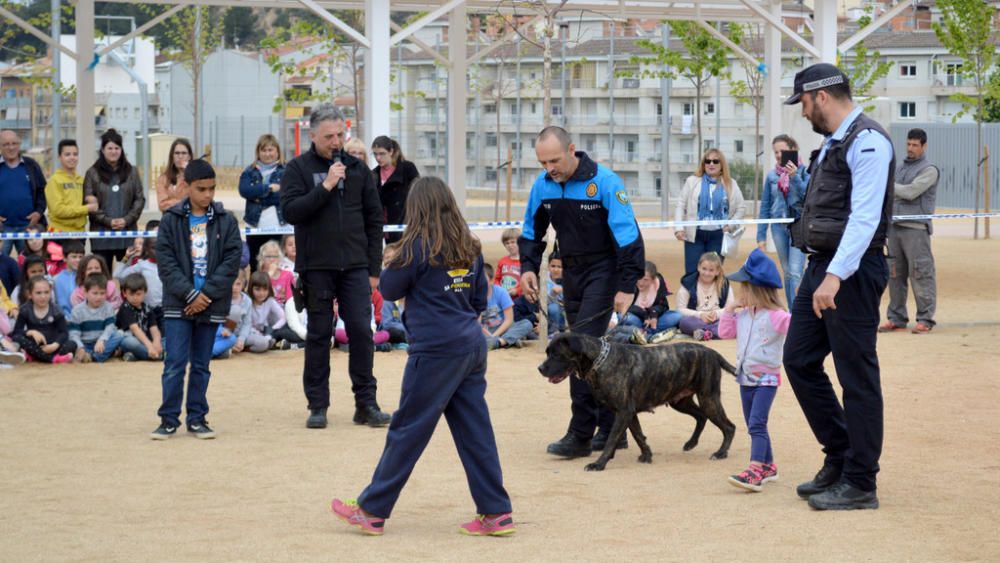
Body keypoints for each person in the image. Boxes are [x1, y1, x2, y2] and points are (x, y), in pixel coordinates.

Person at [331, 176, 513, 537]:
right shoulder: (471, 246)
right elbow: (481, 299)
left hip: (435, 351)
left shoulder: (415, 248)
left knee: (408, 429)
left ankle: (372, 510)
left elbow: (387, 288)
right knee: (475, 431)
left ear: (416, 210)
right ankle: (496, 512)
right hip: (471, 345)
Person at [782, 63, 893, 511]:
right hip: (821, 266)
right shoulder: (832, 143)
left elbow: (865, 220)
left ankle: (861, 481)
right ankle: (841, 454)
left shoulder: (867, 141)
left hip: (851, 271)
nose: (803, 113)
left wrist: (835, 276)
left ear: (821, 97)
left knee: (856, 375)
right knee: (799, 360)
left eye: (803, 103)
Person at [518, 126, 645, 458]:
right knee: (594, 353)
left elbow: (629, 236)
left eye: (555, 160)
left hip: (604, 270)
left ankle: (580, 434)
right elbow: (532, 231)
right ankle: (612, 430)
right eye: (543, 163)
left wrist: (626, 285)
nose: (550, 169)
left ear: (572, 149)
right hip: (571, 272)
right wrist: (528, 267)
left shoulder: (604, 182)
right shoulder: (543, 186)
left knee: (577, 348)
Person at [279, 103, 390, 429]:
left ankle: (366, 404)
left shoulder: (357, 170)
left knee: (361, 331)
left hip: (356, 266)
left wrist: (373, 270)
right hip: (316, 267)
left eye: (340, 134)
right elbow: (292, 212)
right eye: (329, 136)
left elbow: (374, 221)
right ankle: (318, 405)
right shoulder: (297, 169)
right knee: (318, 335)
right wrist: (325, 186)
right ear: (312, 135)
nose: (336, 141)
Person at [152, 159, 242, 440]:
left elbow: (231, 260)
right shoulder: (170, 221)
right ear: (186, 187)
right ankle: (168, 420)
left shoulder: (226, 221)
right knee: (175, 364)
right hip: (179, 304)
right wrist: (190, 294)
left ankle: (197, 418)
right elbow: (166, 263)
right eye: (201, 189)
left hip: (211, 304)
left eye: (212, 189)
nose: (208, 195)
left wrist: (206, 295)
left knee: (201, 365)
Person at [719, 249, 790, 492]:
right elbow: (724, 333)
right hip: (745, 377)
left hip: (767, 378)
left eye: (744, 287)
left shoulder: (777, 316)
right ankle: (769, 466)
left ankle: (755, 469)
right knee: (753, 422)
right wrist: (729, 310)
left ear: (756, 288)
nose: (740, 292)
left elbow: (797, 329)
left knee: (757, 424)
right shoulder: (743, 315)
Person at [880, 128, 938, 335]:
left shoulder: (930, 170)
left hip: (916, 229)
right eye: (908, 144)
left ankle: (925, 318)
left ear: (924, 146)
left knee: (921, 274)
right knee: (895, 275)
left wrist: (888, 187)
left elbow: (912, 192)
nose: (911, 148)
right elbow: (895, 194)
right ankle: (896, 317)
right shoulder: (899, 167)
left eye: (915, 145)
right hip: (894, 228)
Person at [675, 148, 746, 276]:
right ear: (704, 164)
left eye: (715, 161)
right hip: (694, 235)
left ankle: (711, 297)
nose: (711, 164)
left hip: (718, 236)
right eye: (708, 161)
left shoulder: (731, 184)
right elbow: (681, 205)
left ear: (722, 165)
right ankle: (693, 296)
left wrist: (730, 226)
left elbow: (741, 208)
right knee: (692, 273)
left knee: (712, 274)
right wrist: (679, 228)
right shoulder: (692, 181)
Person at [757, 134, 809, 307]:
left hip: (798, 226)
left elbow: (807, 197)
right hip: (778, 227)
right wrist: (761, 235)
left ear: (792, 149)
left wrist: (794, 177)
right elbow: (765, 205)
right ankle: (792, 310)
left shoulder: (805, 172)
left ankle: (797, 314)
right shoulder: (772, 176)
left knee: (795, 272)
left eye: (782, 151)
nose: (779, 155)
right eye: (776, 152)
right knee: (787, 272)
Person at [84, 129, 146, 268]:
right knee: (102, 280)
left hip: (127, 235)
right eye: (110, 148)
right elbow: (88, 202)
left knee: (128, 279)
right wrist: (108, 221)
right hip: (101, 237)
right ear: (102, 150)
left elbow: (139, 199)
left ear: (121, 150)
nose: (113, 151)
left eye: (117, 148)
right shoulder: (92, 173)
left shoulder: (132, 172)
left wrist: (126, 220)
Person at [239, 134, 286, 272]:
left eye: (271, 150)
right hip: (255, 226)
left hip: (281, 227)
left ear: (277, 151)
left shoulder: (286, 170)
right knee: (256, 266)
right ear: (258, 152)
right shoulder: (249, 171)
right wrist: (269, 188)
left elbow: (284, 196)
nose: (267, 154)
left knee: (279, 268)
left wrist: (258, 196)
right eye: (263, 150)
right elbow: (245, 190)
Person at [0, 129, 47, 256]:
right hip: (2, 229)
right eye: (6, 144)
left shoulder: (31, 165)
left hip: (28, 227)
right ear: (0, 146)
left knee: (30, 265)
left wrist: (38, 212)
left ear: (19, 144)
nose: (11, 147)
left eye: (14, 143)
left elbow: (42, 192)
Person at [11, 276, 75, 364]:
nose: (43, 296)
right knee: (17, 338)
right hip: (34, 345)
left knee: (72, 344)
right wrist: (30, 332)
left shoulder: (56, 310)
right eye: (38, 293)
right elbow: (16, 332)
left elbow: (64, 333)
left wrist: (54, 345)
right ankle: (53, 359)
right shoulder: (25, 310)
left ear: (50, 292)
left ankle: (35, 356)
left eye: (46, 292)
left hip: (53, 345)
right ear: (30, 294)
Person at [45, 139, 98, 238]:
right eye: (67, 154)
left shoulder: (81, 180)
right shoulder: (55, 181)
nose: (72, 157)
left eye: (75, 154)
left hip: (79, 234)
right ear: (59, 157)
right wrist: (86, 208)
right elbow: (58, 210)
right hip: (59, 233)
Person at [372, 135, 419, 244]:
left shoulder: (408, 169)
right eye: (375, 154)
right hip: (386, 231)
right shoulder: (373, 174)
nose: (378, 158)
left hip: (408, 228)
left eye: (382, 153)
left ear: (391, 151)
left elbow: (419, 195)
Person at [68, 273, 124, 363]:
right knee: (70, 343)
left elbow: (110, 327)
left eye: (102, 293)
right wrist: (80, 347)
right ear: (85, 293)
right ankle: (103, 354)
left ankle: (94, 357)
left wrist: (102, 339)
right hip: (85, 344)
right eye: (95, 293)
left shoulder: (108, 307)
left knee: (119, 334)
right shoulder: (77, 310)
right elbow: (74, 333)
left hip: (102, 343)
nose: (99, 297)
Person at [676, 252, 730, 341]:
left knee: (737, 318)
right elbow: (680, 310)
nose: (706, 273)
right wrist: (700, 315)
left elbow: (730, 308)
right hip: (697, 319)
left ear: (717, 271)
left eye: (711, 270)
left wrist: (717, 314)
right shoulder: (688, 284)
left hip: (716, 319)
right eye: (704, 269)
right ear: (698, 267)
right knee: (684, 322)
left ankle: (704, 333)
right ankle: (715, 332)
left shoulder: (724, 284)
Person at [619, 260, 681, 336]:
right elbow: (625, 307)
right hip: (636, 318)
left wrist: (654, 315)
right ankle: (651, 333)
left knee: (676, 315)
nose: (641, 283)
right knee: (622, 317)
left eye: (645, 280)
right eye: (639, 278)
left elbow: (663, 306)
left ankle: (643, 333)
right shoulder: (630, 283)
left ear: (653, 279)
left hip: (655, 320)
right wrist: (644, 315)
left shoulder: (658, 284)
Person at [480, 263, 531, 350]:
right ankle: (509, 340)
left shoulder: (501, 292)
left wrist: (494, 338)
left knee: (527, 324)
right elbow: (476, 323)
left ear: (492, 281)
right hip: (485, 330)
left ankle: (500, 342)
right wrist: (489, 335)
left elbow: (509, 320)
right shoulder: (473, 295)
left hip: (503, 327)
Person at [116, 273, 163, 362]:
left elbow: (154, 328)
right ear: (124, 293)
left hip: (145, 341)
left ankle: (138, 356)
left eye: (138, 294)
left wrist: (156, 342)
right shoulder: (125, 307)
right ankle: (156, 356)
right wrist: (150, 346)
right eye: (131, 294)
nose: (135, 298)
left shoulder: (147, 308)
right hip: (132, 340)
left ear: (145, 292)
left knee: (164, 340)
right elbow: (134, 329)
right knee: (129, 342)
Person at [116, 220, 162, 309]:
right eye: (153, 247)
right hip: (148, 310)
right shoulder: (142, 265)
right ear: (147, 248)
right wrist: (126, 257)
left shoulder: (170, 264)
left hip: (165, 310)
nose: (157, 251)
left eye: (160, 246)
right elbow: (118, 275)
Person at [213, 271, 253, 359]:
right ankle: (202, 354)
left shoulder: (247, 301)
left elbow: (247, 323)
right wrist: (222, 330)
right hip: (219, 334)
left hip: (233, 336)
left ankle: (222, 351)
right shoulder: (220, 298)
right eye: (230, 283)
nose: (234, 287)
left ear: (243, 284)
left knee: (259, 343)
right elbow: (214, 319)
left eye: (238, 284)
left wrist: (241, 339)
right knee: (235, 310)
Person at [155, 138, 192, 212]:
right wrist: (185, 203)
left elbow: (197, 201)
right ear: (172, 156)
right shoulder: (163, 179)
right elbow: (162, 205)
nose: (180, 156)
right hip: (170, 220)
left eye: (184, 153)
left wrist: (189, 172)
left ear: (189, 156)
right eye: (177, 153)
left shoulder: (195, 177)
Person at [256, 240, 295, 305]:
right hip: (264, 306)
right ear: (262, 258)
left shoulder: (287, 274)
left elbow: (290, 298)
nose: (272, 259)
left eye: (275, 256)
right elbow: (258, 295)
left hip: (283, 307)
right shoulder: (258, 275)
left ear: (279, 258)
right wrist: (270, 274)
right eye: (268, 256)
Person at [54, 241, 84, 315]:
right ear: (64, 258)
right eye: (74, 257)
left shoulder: (85, 276)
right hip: (63, 319)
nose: (78, 260)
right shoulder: (57, 279)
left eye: (80, 257)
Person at [493, 228, 521, 298]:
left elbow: (527, 282)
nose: (510, 245)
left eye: (513, 242)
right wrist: (499, 290)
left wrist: (517, 290)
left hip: (519, 299)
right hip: (503, 297)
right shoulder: (502, 261)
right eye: (507, 243)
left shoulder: (525, 262)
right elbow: (497, 279)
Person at [546, 252, 565, 334]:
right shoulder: (545, 280)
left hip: (565, 312)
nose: (556, 270)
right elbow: (544, 302)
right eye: (553, 266)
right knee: (553, 307)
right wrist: (552, 293)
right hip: (550, 315)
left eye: (559, 267)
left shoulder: (569, 279)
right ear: (548, 266)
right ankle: (553, 332)